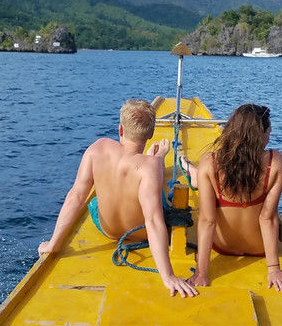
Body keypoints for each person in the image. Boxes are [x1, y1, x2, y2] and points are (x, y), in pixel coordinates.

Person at [38, 99, 197, 298]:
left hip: (106, 229)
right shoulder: (149, 167)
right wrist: (168, 276)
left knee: (94, 202)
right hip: (139, 233)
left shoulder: (97, 148)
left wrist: (53, 244)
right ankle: (158, 159)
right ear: (150, 134)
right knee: (160, 197)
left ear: (120, 129)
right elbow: (153, 221)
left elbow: (76, 196)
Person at [185, 104, 282, 292]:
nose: (269, 137)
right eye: (268, 132)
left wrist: (201, 273)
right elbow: (267, 218)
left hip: (223, 246)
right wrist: (274, 269)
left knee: (205, 175)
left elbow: (208, 220)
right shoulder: (274, 162)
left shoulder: (210, 161)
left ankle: (195, 175)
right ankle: (196, 176)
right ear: (260, 135)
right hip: (260, 248)